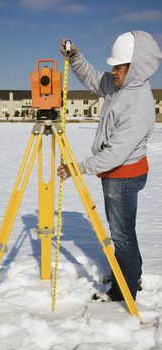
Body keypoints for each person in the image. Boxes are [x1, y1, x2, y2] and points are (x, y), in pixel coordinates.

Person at [57, 31, 162, 301]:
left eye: (119, 67)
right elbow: (94, 79)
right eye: (114, 66)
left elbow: (114, 155)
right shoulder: (121, 86)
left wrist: (77, 167)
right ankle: (130, 273)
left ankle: (121, 292)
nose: (113, 72)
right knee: (125, 231)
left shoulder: (137, 106)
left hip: (123, 177)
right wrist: (76, 57)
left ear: (135, 67)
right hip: (120, 174)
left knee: (121, 235)